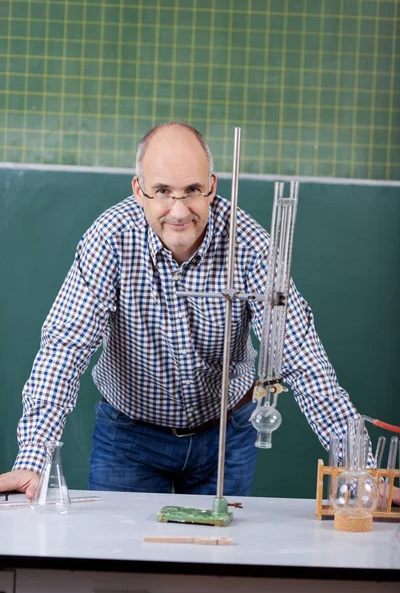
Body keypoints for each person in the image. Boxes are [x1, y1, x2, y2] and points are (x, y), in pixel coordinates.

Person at [0, 122, 398, 502]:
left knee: (216, 567)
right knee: (116, 567)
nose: (178, 210)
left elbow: (301, 357)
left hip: (225, 434)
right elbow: (65, 348)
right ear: (139, 191)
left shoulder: (250, 245)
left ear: (211, 187)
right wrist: (34, 460)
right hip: (129, 437)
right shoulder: (110, 239)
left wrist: (359, 469)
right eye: (162, 191)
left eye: (191, 189)